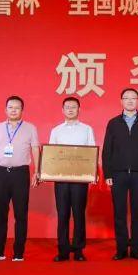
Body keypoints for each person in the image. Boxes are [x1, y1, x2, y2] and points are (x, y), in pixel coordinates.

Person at [0, 95, 40, 262]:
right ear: (5, 109)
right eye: (10, 107)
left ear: (22, 110)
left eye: (17, 107)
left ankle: (18, 253)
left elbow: (35, 149)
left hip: (21, 174)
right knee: (0, 214)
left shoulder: (30, 128)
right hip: (1, 174)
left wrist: (37, 171)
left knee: (21, 215)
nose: (13, 110)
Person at [102, 88, 138, 260]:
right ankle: (121, 249)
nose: (130, 101)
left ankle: (136, 249)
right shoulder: (113, 123)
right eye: (126, 98)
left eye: (133, 98)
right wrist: (108, 174)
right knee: (119, 212)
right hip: (118, 173)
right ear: (121, 101)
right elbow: (107, 149)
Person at [48, 96, 97, 262]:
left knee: (78, 214)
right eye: (67, 107)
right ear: (62, 110)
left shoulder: (87, 129)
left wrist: (92, 172)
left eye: (73, 107)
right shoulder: (56, 130)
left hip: (80, 179)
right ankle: (62, 250)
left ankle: (78, 250)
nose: (70, 109)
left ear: (79, 110)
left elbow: (92, 153)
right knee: (62, 214)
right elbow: (51, 155)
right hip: (61, 179)